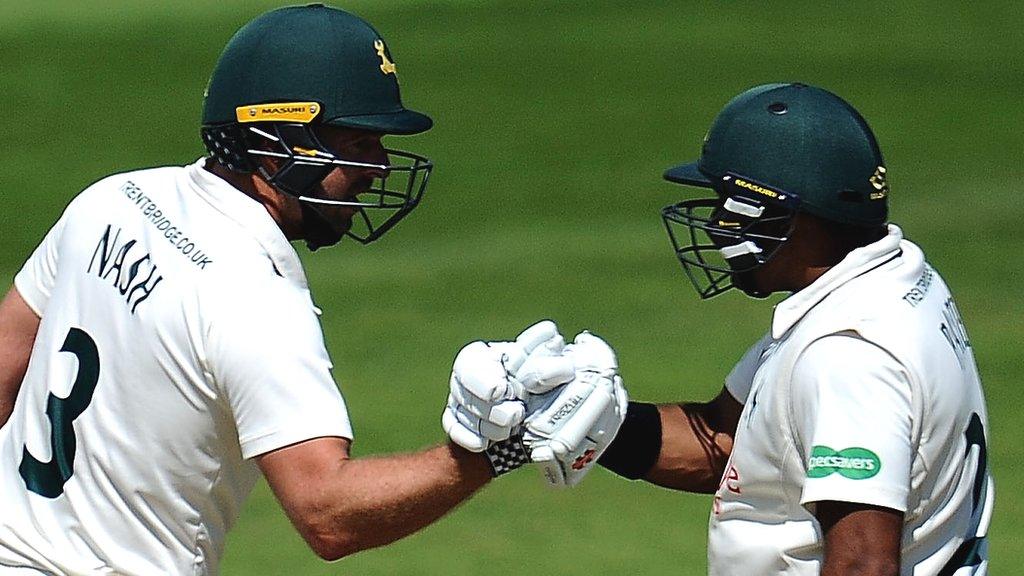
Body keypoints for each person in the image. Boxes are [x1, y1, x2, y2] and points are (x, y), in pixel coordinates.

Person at [0, 5, 624, 574]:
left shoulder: (114, 199)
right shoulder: (254, 300)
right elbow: (328, 514)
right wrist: (496, 450)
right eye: (357, 144)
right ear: (273, 146)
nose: (376, 170)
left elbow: (7, 355)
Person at [595, 83, 993, 575]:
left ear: (788, 213)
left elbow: (863, 564)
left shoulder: (849, 355)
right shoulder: (894, 280)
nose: (718, 223)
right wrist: (600, 425)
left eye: (730, 203)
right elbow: (725, 443)